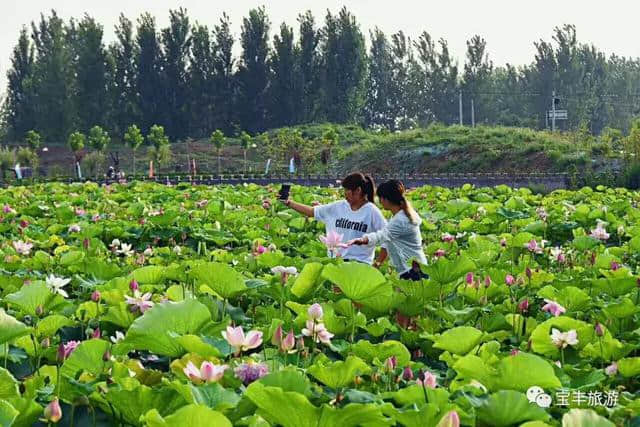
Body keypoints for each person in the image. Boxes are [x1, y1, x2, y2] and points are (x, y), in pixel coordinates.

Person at [283, 172, 388, 266]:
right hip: (336, 261)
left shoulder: (371, 211)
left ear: (358, 191)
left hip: (360, 264)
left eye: (347, 190)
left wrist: (378, 263)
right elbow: (311, 211)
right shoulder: (338, 207)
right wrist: (289, 203)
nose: (344, 193)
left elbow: (388, 238)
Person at [347, 180, 427, 281]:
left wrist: (363, 240)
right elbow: (388, 239)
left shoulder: (401, 220)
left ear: (386, 199)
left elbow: (382, 236)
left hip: (413, 271)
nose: (380, 202)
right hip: (411, 269)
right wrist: (378, 263)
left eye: (380, 198)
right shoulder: (401, 215)